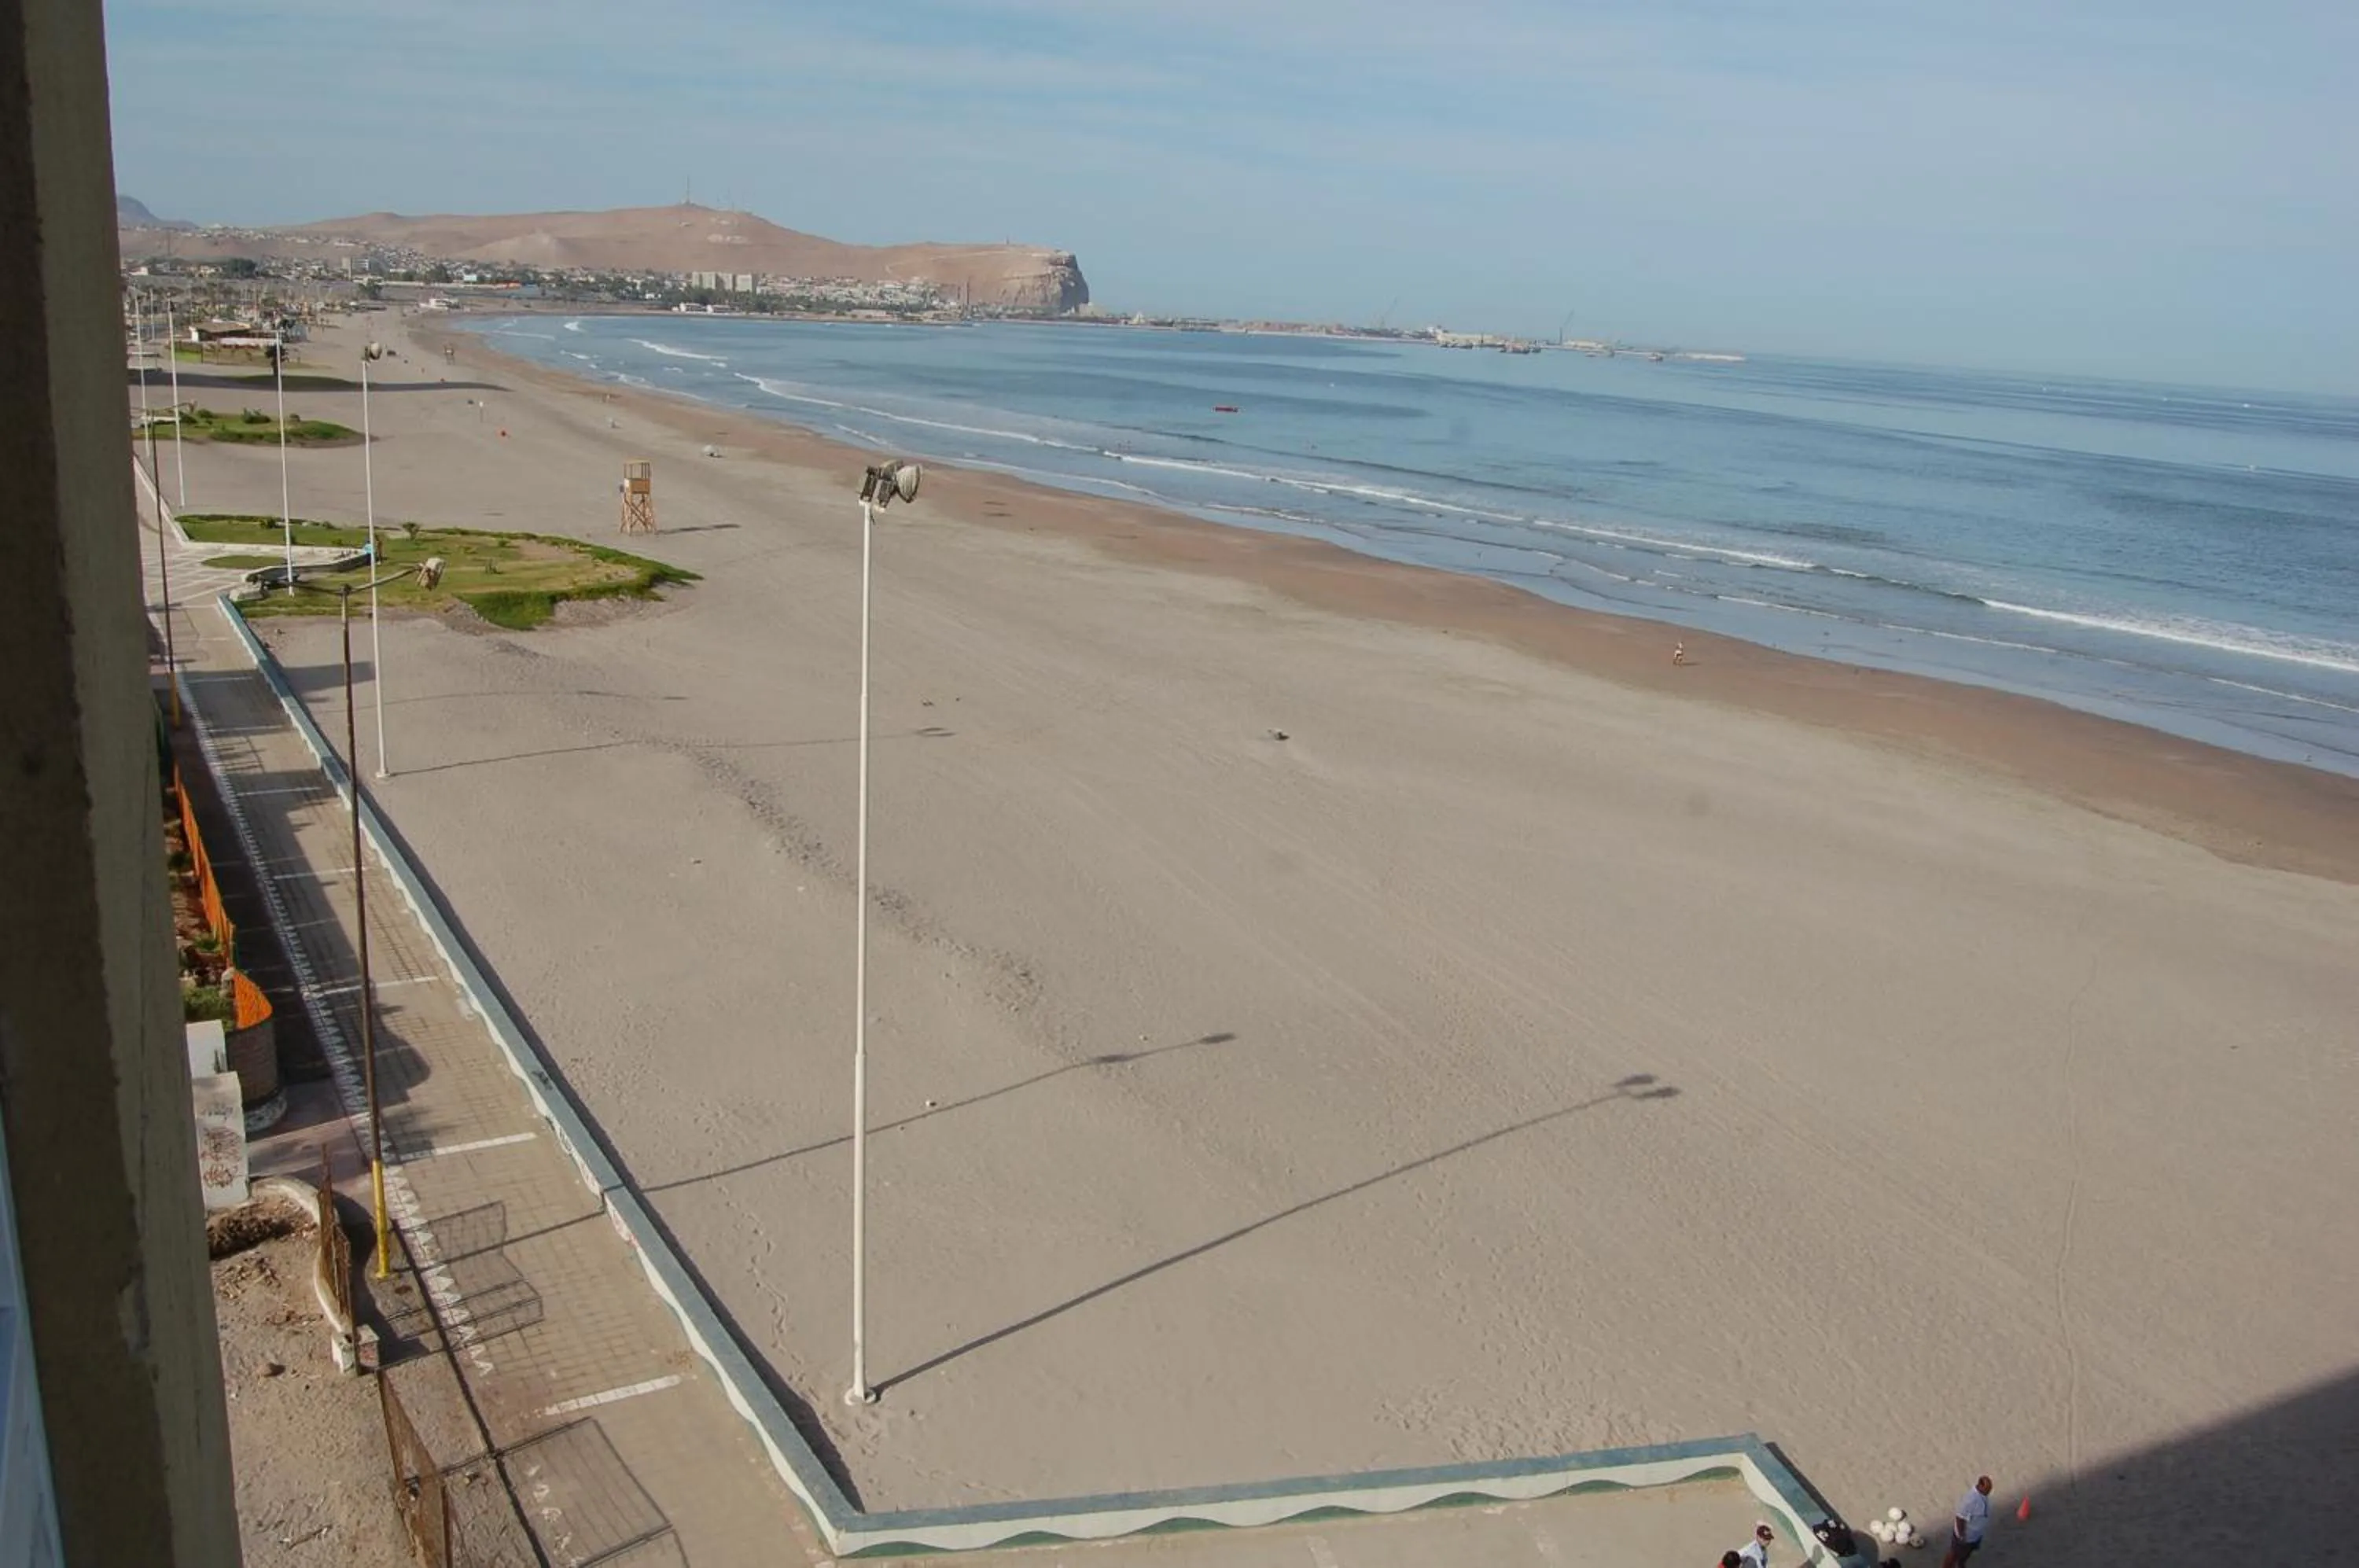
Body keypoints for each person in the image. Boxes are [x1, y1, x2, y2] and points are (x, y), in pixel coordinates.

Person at [1941, 1476, 1994, 1566]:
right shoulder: (1971, 1499)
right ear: (1980, 1486)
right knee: (1954, 1554)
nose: (1989, 1492)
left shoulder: (1983, 1495)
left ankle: (1961, 1565)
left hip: (1975, 1536)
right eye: (1987, 1489)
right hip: (1966, 1537)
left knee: (1966, 1554)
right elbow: (1960, 1518)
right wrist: (1962, 1536)